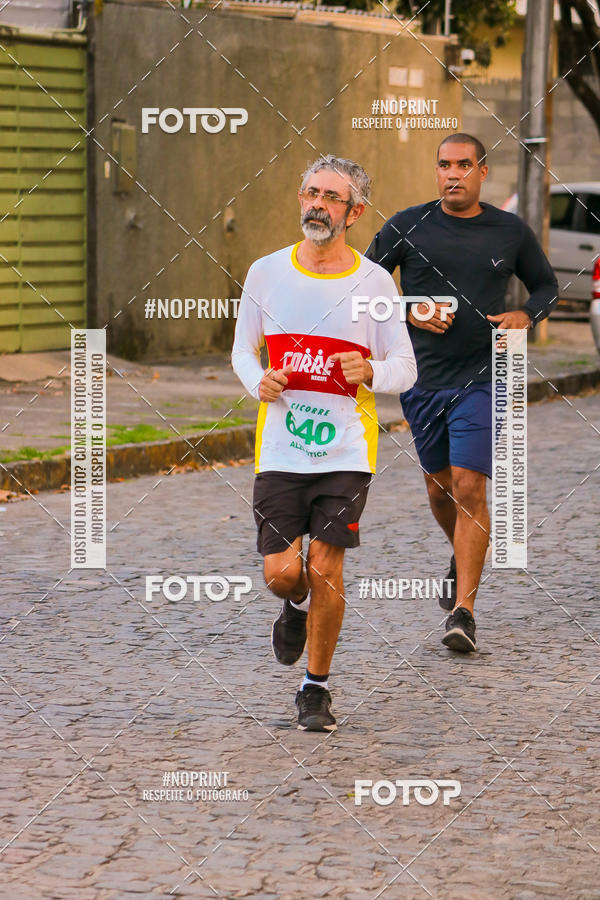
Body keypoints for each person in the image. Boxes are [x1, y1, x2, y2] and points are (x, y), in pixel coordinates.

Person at [232, 155, 417, 731]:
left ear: (354, 213)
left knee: (326, 565)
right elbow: (242, 350)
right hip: (281, 449)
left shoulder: (374, 283)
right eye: (312, 193)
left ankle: (315, 689)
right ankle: (294, 605)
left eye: (332, 197)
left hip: (345, 452)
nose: (318, 204)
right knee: (283, 572)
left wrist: (372, 371)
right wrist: (257, 382)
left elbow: (405, 367)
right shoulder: (266, 273)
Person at [366, 133, 558, 653]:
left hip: (483, 378)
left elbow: (546, 286)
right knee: (440, 489)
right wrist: (409, 310)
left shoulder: (509, 230)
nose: (453, 174)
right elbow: (362, 290)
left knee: (470, 486)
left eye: (463, 165)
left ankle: (464, 612)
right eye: (444, 165)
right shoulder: (406, 225)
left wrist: (526, 314)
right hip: (421, 380)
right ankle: (461, 550)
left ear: (482, 171)